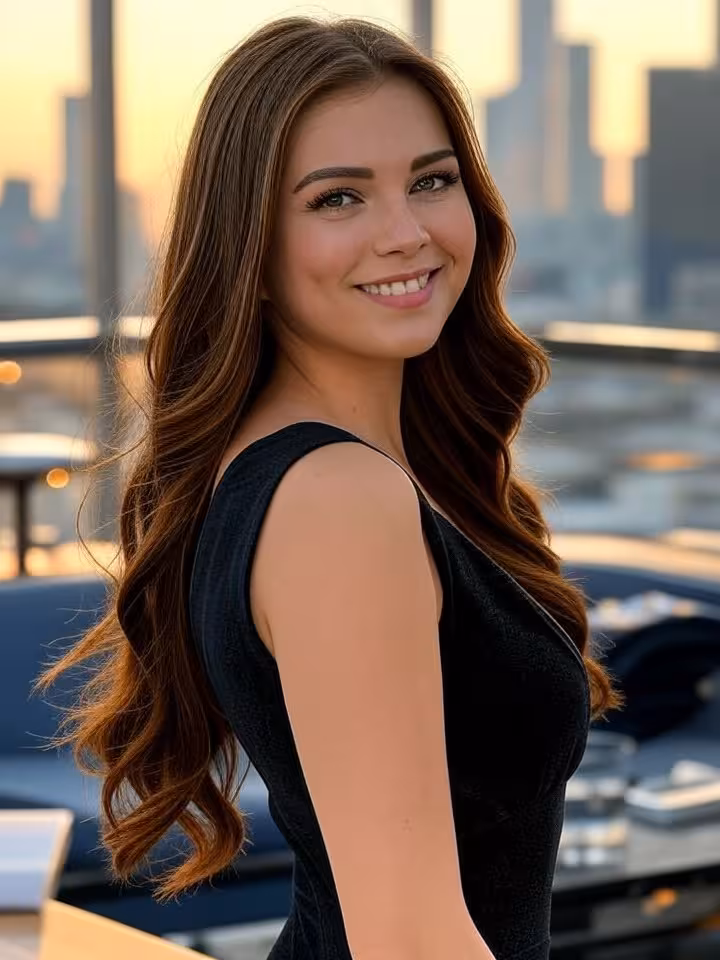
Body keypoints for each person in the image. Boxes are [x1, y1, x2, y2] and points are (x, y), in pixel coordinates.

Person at [35, 16, 623, 960]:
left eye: (431, 182)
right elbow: (410, 940)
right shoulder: (340, 500)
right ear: (250, 250)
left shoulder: (315, 470)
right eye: (338, 199)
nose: (406, 233)